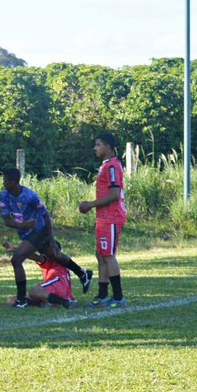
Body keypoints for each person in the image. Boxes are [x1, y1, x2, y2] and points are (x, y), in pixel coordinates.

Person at [0, 167, 92, 309]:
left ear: (13, 181)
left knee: (16, 259)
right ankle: (82, 273)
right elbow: (6, 220)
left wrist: (51, 239)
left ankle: (21, 299)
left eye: (5, 180)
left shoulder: (29, 196)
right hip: (26, 232)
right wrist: (23, 225)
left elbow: (46, 216)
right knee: (52, 255)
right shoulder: (4, 195)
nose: (3, 182)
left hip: (40, 230)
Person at [79, 132, 128, 308]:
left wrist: (90, 204)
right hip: (103, 216)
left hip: (112, 216)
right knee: (100, 254)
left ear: (108, 146)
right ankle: (101, 294)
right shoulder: (105, 165)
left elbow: (114, 194)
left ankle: (118, 296)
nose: (95, 148)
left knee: (108, 255)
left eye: (98, 144)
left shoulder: (113, 166)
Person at [3, 241, 76, 308]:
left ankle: (65, 303)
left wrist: (15, 250)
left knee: (34, 291)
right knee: (11, 300)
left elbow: (36, 257)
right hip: (59, 290)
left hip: (58, 285)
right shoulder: (63, 260)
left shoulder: (52, 260)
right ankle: (47, 302)